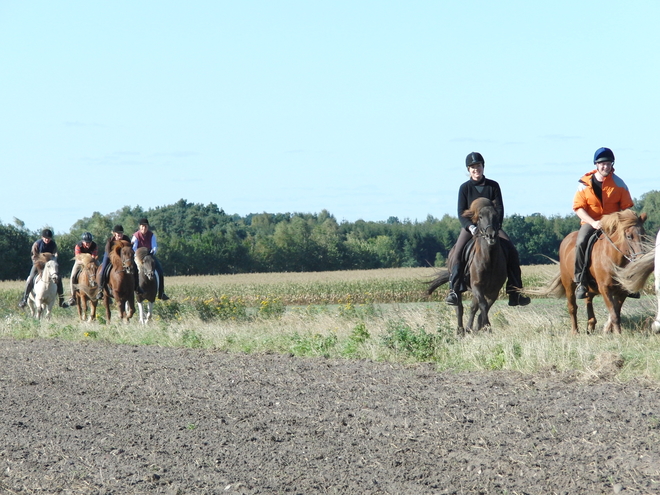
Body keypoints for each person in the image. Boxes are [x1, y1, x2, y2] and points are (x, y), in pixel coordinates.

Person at [445, 152, 531, 307]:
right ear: (468, 170)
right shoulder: (464, 188)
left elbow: (499, 209)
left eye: (478, 165)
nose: (475, 169)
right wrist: (470, 227)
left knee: (511, 250)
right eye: (472, 167)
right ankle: (454, 290)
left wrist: (495, 226)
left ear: (483, 167)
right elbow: (460, 212)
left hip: (492, 227)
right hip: (472, 227)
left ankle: (515, 292)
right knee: (457, 253)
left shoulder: (493, 186)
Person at [572, 147, 634, 299]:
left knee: (632, 242)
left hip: (614, 224)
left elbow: (627, 207)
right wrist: (593, 222)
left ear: (612, 165)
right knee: (580, 242)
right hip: (591, 222)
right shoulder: (584, 184)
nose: (605, 167)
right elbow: (578, 208)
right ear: (596, 165)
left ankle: (631, 282)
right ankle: (581, 281)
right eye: (602, 164)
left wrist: (620, 221)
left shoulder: (619, 184)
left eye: (608, 164)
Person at [18, 229, 68, 308]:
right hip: (38, 264)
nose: (47, 240)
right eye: (45, 238)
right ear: (42, 237)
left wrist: (52, 263)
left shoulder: (53, 244)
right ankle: (24, 299)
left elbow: (55, 255)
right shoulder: (37, 244)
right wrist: (40, 263)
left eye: (48, 238)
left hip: (50, 265)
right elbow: (34, 256)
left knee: (59, 278)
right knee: (30, 278)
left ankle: (61, 300)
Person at [97, 225, 141, 299]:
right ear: (114, 234)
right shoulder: (110, 241)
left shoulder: (126, 239)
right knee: (103, 269)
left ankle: (137, 287)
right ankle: (100, 289)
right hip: (109, 256)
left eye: (121, 233)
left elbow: (129, 250)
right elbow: (108, 252)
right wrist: (115, 259)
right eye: (118, 234)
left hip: (123, 258)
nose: (120, 235)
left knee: (135, 267)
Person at [131, 218, 169, 300]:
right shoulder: (135, 236)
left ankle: (161, 293)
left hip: (149, 256)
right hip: (138, 258)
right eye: (142, 226)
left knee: (160, 271)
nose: (144, 228)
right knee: (130, 272)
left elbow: (154, 246)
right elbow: (133, 248)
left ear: (147, 227)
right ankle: (130, 291)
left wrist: (152, 252)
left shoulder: (152, 235)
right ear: (139, 226)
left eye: (145, 226)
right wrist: (138, 256)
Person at [66, 232, 99, 306]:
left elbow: (94, 257)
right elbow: (78, 259)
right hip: (80, 262)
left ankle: (102, 291)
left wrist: (90, 262)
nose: (88, 244)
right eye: (86, 242)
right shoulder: (78, 246)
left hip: (92, 261)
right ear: (82, 241)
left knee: (101, 271)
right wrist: (85, 262)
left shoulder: (94, 245)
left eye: (89, 242)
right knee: (73, 276)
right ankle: (73, 296)